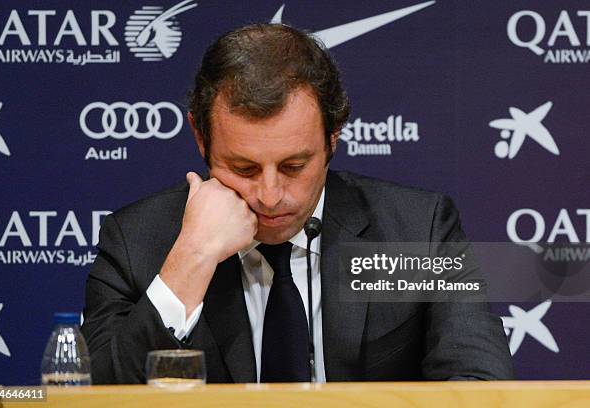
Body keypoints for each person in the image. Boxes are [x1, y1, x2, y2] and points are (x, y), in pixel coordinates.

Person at [81, 23, 514, 384]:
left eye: (293, 166)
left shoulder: (416, 231)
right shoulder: (139, 240)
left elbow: (479, 384)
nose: (269, 196)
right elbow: (97, 396)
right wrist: (191, 259)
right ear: (200, 138)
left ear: (333, 136)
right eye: (243, 168)